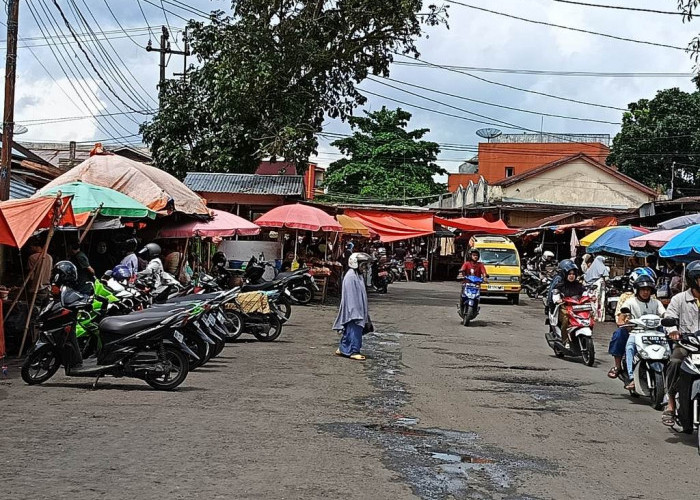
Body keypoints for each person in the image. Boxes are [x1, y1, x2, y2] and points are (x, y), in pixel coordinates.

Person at [607, 273, 665, 389]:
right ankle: (631, 377)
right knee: (629, 347)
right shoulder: (630, 302)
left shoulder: (656, 303)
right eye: (643, 289)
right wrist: (624, 323)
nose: (645, 292)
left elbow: (664, 314)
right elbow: (621, 318)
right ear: (637, 290)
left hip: (654, 332)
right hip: (636, 332)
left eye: (648, 290)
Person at [662, 260, 700, 427]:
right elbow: (669, 318)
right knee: (675, 362)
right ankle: (670, 404)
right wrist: (673, 331)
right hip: (686, 345)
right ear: (693, 279)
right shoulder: (679, 299)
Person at [333, 252, 372, 361]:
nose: (364, 268)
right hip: (354, 310)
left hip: (358, 309)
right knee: (354, 331)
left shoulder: (357, 275)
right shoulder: (350, 276)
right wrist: (355, 312)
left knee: (350, 331)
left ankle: (343, 348)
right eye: (363, 265)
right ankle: (353, 351)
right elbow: (351, 296)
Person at [549, 259, 584, 349]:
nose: (571, 276)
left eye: (573, 274)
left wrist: (591, 297)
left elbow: (585, 293)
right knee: (566, 319)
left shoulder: (579, 285)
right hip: (564, 308)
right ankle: (565, 340)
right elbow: (555, 294)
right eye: (569, 274)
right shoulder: (560, 284)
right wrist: (558, 300)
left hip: (577, 309)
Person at [27, 238, 53, 308]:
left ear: (37, 247)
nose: (31, 248)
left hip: (37, 289)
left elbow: (31, 276)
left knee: (34, 310)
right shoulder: (49, 257)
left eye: (31, 246)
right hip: (46, 288)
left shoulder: (32, 258)